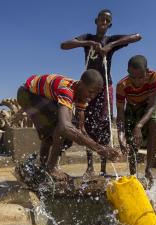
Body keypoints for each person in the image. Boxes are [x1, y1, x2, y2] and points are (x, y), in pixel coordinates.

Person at [60, 9, 142, 177]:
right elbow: (64, 45)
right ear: (96, 21)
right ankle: (90, 166)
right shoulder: (87, 37)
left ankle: (104, 167)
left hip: (105, 87)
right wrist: (87, 44)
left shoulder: (110, 40)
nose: (104, 22)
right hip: (87, 88)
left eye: (107, 20)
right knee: (86, 123)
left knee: (104, 123)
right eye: (101, 19)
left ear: (109, 24)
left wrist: (110, 46)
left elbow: (137, 36)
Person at [17, 69, 119, 181]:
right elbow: (64, 127)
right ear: (81, 84)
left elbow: (81, 130)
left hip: (39, 97)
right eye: (90, 92)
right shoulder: (67, 90)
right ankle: (50, 167)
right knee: (62, 127)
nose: (92, 96)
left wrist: (103, 146)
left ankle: (42, 168)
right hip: (26, 94)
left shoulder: (82, 95)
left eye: (96, 93)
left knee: (62, 132)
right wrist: (99, 149)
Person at [116, 55, 156, 184]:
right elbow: (120, 115)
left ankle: (149, 168)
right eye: (133, 77)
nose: (137, 81)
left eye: (141, 77)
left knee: (155, 121)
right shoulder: (122, 85)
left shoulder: (154, 76)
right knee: (130, 140)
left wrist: (139, 126)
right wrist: (121, 137)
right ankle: (133, 175)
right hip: (132, 109)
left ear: (147, 71)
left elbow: (152, 105)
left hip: (148, 106)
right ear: (128, 72)